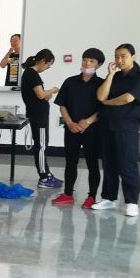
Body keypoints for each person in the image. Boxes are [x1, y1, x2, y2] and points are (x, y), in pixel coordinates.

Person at [93, 43, 140, 217]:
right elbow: (100, 96)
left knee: (127, 164)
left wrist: (108, 103)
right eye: (116, 56)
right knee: (109, 163)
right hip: (107, 125)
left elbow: (127, 98)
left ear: (133, 56)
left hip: (126, 127)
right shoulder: (115, 76)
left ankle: (132, 202)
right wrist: (110, 75)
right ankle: (109, 198)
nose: (119, 60)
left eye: (123, 56)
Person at [52, 48, 105, 208]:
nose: (87, 63)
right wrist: (69, 123)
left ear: (99, 65)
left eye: (91, 61)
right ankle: (68, 194)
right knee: (70, 162)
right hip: (71, 129)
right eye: (85, 59)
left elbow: (104, 108)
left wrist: (87, 122)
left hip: (93, 131)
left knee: (92, 163)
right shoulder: (70, 82)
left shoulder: (102, 84)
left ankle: (91, 197)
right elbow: (62, 105)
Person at [20, 48, 62, 189]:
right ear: (43, 61)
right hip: (38, 116)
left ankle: (47, 173)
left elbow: (40, 95)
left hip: (38, 114)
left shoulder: (31, 74)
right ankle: (44, 177)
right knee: (41, 145)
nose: (48, 68)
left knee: (42, 144)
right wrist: (53, 90)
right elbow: (40, 95)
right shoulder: (32, 74)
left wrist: (46, 94)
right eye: (48, 65)